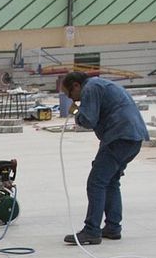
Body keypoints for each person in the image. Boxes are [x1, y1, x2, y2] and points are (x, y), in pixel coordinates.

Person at [58, 71, 149, 246]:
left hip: (120, 136)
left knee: (96, 182)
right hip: (133, 137)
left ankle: (91, 231)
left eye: (70, 95)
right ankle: (113, 227)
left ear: (76, 85)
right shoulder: (100, 84)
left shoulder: (90, 88)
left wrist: (76, 111)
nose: (72, 99)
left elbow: (89, 120)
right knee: (111, 181)